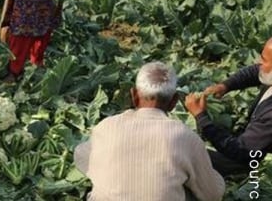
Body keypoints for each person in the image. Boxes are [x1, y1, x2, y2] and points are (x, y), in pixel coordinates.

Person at [74, 62, 225, 201]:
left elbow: (81, 157)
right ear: (174, 102)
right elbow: (213, 195)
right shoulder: (187, 137)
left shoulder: (105, 127)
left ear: (134, 95)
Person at [185, 37, 272, 176]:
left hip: (248, 158)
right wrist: (225, 86)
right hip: (252, 143)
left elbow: (241, 152)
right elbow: (256, 72)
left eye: (264, 60)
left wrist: (201, 117)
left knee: (188, 156)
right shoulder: (268, 73)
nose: (259, 62)